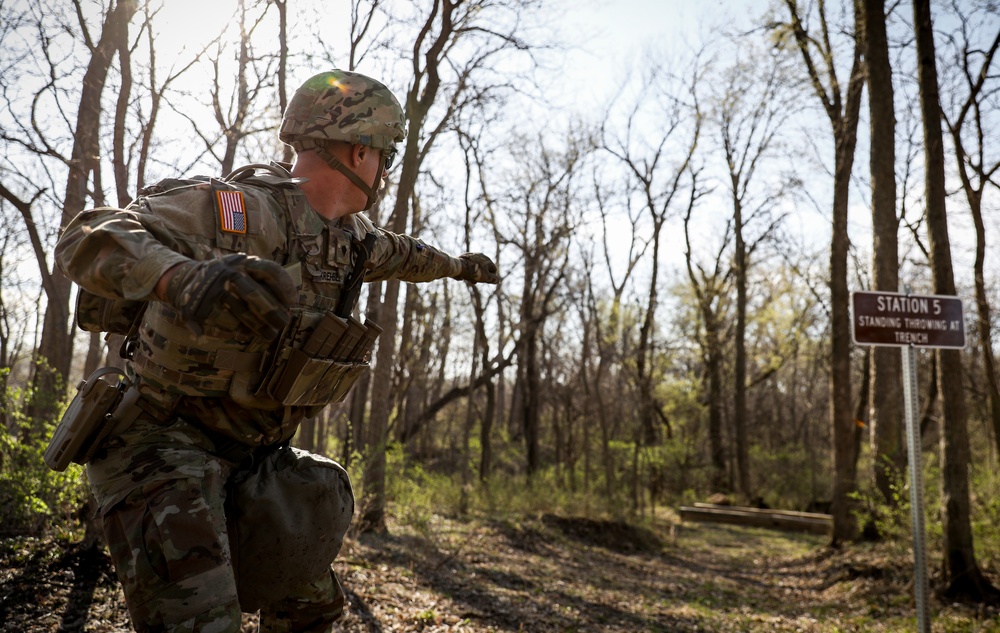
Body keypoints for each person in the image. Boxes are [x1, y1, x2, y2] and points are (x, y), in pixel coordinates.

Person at [54, 69, 499, 633]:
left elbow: (408, 255)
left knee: (311, 609)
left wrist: (460, 267)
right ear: (361, 150)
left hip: (252, 457)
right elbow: (86, 234)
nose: (385, 170)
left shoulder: (352, 241)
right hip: (158, 444)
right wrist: (181, 279)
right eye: (384, 155)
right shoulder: (238, 211)